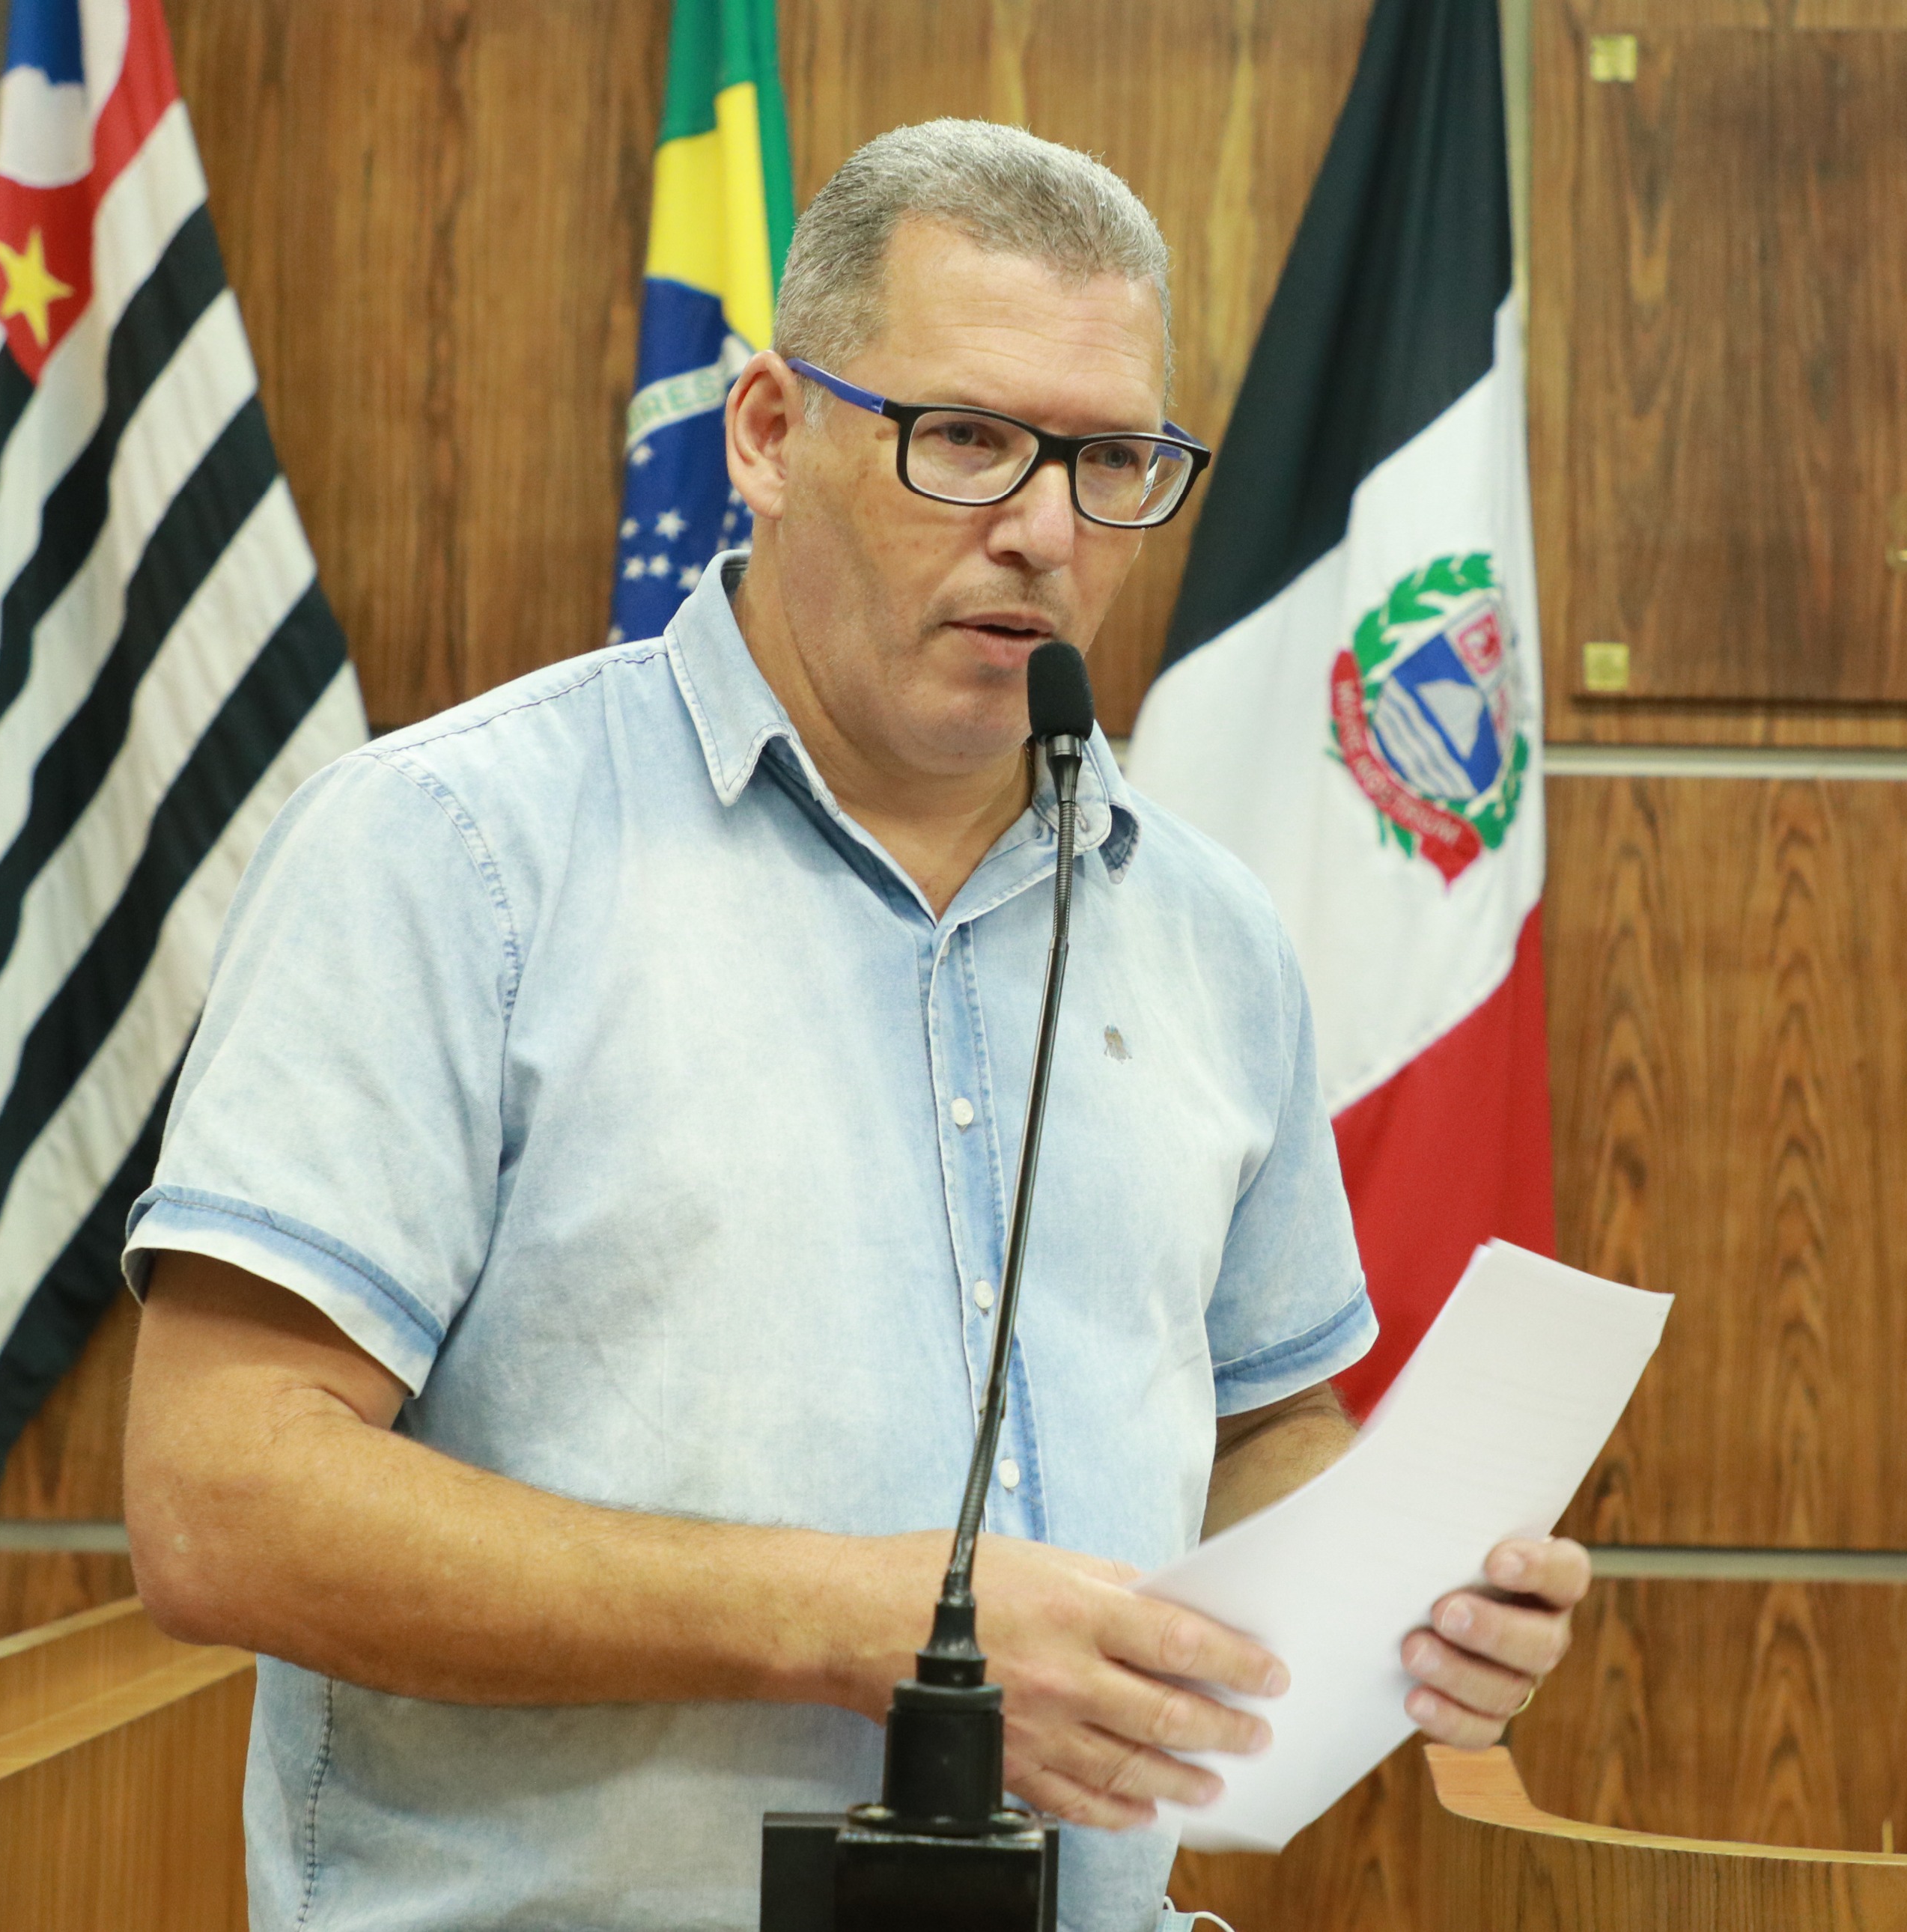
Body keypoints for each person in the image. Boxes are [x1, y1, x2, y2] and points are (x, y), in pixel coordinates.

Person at [121, 119, 1593, 1932]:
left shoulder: (1208, 931)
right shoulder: (450, 850)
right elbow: (219, 1503)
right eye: (964, 437)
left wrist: (1407, 1594)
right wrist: (852, 1617)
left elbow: (1262, 1423)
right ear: (766, 433)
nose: (1045, 530)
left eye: (1110, 460)